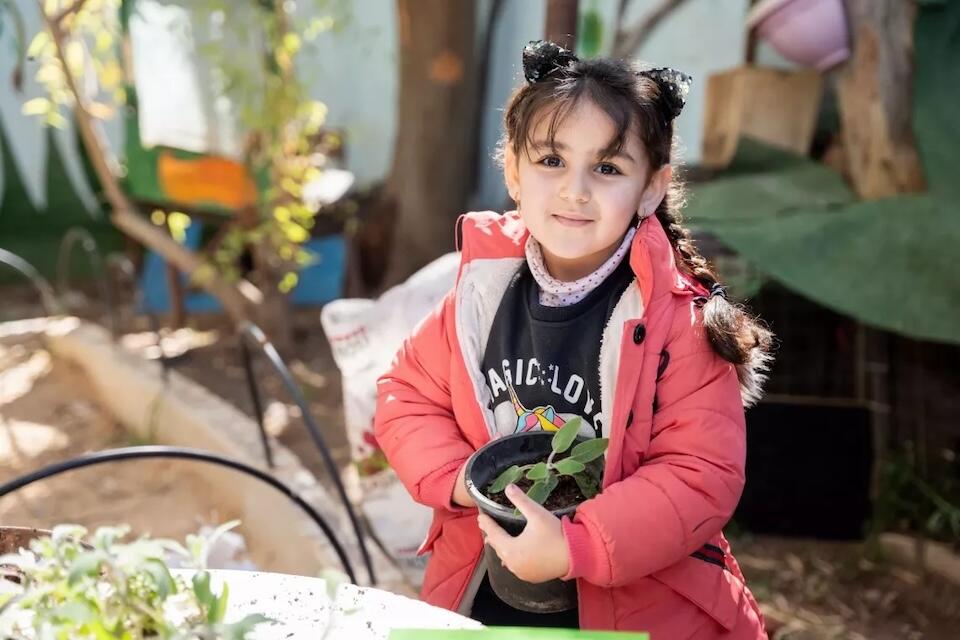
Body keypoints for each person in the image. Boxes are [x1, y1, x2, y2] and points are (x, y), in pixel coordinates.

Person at [374, 40, 773, 638]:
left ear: (650, 188)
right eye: (551, 161)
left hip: (639, 607)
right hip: (484, 585)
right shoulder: (481, 294)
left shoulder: (678, 323)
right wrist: (463, 479)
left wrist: (572, 545)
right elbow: (407, 396)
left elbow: (699, 475)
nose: (574, 190)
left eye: (607, 168)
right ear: (512, 169)